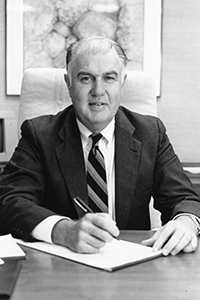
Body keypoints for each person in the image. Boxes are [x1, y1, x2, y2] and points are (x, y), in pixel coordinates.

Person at [0, 36, 200, 256]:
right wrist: (62, 230)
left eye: (109, 78)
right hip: (61, 266)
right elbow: (11, 202)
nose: (98, 91)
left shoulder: (150, 133)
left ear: (122, 82)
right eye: (86, 78)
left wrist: (185, 223)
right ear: (68, 83)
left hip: (133, 265)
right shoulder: (39, 135)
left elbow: (183, 198)